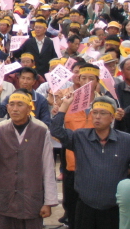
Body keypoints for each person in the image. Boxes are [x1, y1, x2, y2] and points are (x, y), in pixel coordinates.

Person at [0, 89, 57, 229]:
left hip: (31, 199)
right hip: (4, 199)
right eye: (11, 104)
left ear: (29, 108)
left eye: (20, 104)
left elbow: (48, 168)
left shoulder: (42, 132)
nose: (15, 109)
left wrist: (48, 202)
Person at [51, 95, 130, 229]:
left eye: (103, 113)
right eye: (95, 112)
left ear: (112, 117)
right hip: (85, 207)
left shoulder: (125, 140)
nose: (97, 117)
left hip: (114, 208)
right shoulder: (80, 137)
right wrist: (64, 106)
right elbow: (56, 131)